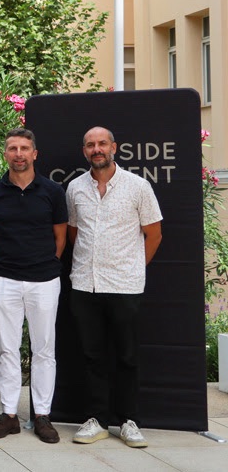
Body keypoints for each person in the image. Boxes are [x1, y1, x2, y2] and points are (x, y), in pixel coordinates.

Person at [67, 127, 162, 448]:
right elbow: (74, 233)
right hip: (85, 284)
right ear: (84, 151)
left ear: (114, 147)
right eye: (90, 145)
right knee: (91, 355)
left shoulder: (138, 186)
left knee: (127, 356)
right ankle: (96, 420)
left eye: (102, 143)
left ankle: (129, 421)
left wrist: (134, 267)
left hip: (125, 286)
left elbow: (154, 234)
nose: (97, 149)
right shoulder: (75, 188)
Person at [0, 128, 67, 445]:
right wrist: (5, 266)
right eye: (13, 148)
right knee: (7, 349)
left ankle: (42, 415)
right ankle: (9, 415)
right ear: (5, 154)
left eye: (24, 148)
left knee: (44, 350)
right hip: (4, 280)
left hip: (44, 281)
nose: (19, 154)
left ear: (34, 153)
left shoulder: (52, 191)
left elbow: (60, 237)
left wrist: (44, 263)